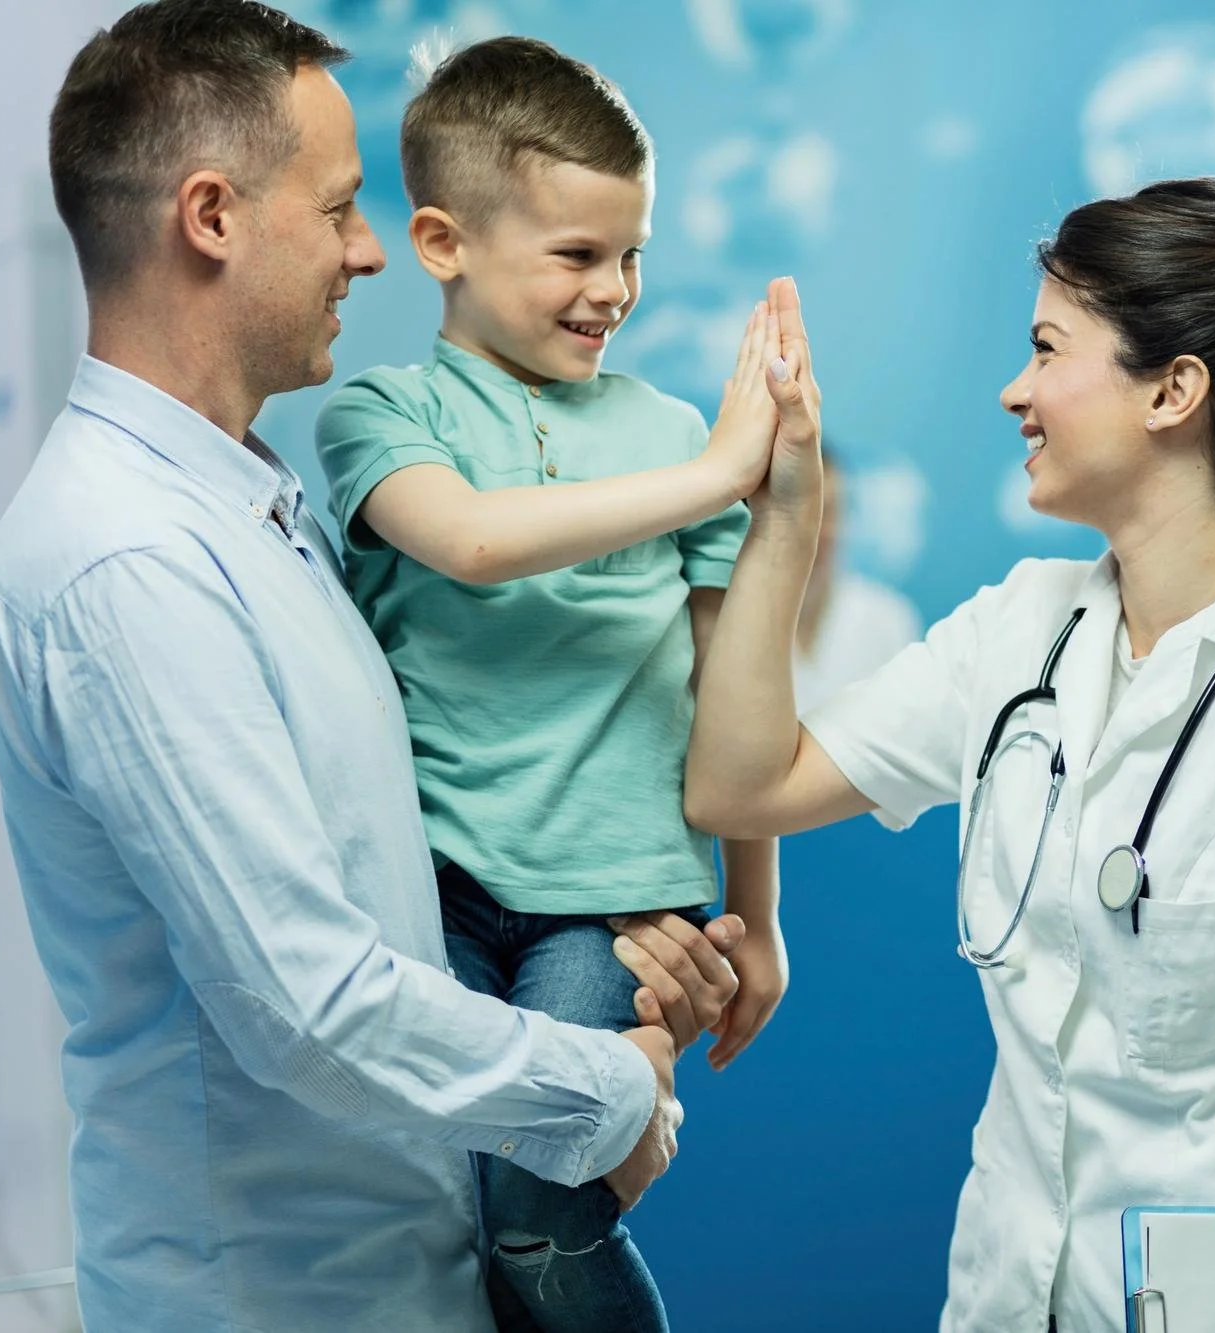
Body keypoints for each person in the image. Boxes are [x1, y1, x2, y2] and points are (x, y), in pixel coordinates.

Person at [0, 5, 741, 1330]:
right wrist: (613, 1086)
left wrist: (637, 951)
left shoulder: (257, 509)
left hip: (410, 1273)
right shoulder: (126, 567)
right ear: (212, 217)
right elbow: (307, 1002)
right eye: (337, 210)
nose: (371, 249)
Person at [688, 180, 1215, 1333]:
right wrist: (785, 521)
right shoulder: (1016, 632)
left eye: (1047, 349)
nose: (1014, 390)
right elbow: (739, 785)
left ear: (1173, 390)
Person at [312, 36, 787, 1331]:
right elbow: (470, 540)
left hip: (616, 914)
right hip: (440, 899)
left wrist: (759, 917)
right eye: (578, 256)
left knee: (535, 1204)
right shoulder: (379, 415)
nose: (616, 290)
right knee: (448, 1211)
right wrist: (718, 476)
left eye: (632, 253)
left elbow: (730, 691)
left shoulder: (669, 430)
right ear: (442, 241)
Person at [792, 446, 923, 710]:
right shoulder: (731, 619)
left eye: (830, 511)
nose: (819, 531)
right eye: (804, 512)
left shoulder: (887, 618)